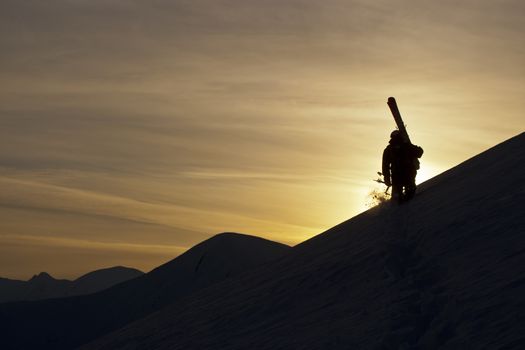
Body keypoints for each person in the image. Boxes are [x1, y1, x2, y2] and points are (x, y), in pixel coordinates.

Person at [382, 130, 424, 203]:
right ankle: (405, 207)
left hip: (398, 175)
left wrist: (387, 178)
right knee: (409, 192)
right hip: (407, 173)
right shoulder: (406, 146)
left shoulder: (389, 149)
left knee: (399, 196)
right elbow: (419, 153)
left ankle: (400, 207)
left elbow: (385, 165)